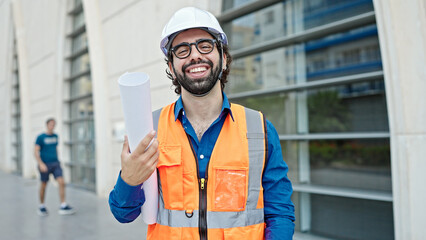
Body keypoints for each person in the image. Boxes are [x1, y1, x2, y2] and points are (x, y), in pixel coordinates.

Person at [109, 7, 295, 239]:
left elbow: (280, 213)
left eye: (205, 46)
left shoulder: (259, 130)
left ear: (224, 58)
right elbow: (123, 213)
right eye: (182, 50)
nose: (195, 55)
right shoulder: (150, 129)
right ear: (171, 68)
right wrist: (129, 179)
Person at [34, 118, 75, 216]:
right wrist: (40, 164)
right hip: (45, 164)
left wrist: (58, 159)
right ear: (47, 125)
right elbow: (36, 151)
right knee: (44, 184)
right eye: (51, 124)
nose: (52, 126)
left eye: (54, 125)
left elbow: (55, 149)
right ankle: (42, 206)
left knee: (61, 182)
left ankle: (63, 205)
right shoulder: (41, 137)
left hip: (55, 163)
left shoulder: (56, 136)